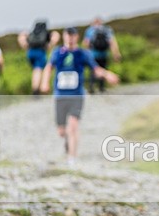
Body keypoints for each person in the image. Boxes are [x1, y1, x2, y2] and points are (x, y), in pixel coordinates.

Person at [40, 27, 119, 167]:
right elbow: (48, 68)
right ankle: (67, 143)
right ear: (64, 37)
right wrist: (45, 83)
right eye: (68, 36)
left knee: (73, 127)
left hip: (77, 95)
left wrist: (107, 75)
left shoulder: (83, 54)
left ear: (76, 37)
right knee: (62, 131)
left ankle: (72, 159)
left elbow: (96, 70)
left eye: (73, 36)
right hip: (60, 95)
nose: (70, 38)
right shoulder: (57, 52)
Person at [17, 20, 60, 95]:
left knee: (36, 70)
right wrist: (50, 44)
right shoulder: (46, 33)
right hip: (40, 52)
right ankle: (36, 91)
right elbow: (56, 35)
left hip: (30, 52)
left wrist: (25, 45)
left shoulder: (33, 33)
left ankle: (36, 88)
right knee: (38, 70)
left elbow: (22, 35)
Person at [82, 17, 121, 93]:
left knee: (93, 70)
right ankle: (101, 87)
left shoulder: (90, 30)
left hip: (93, 54)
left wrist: (86, 53)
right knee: (103, 69)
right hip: (104, 54)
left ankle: (91, 87)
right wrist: (116, 53)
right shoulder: (107, 29)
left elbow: (86, 42)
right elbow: (112, 42)